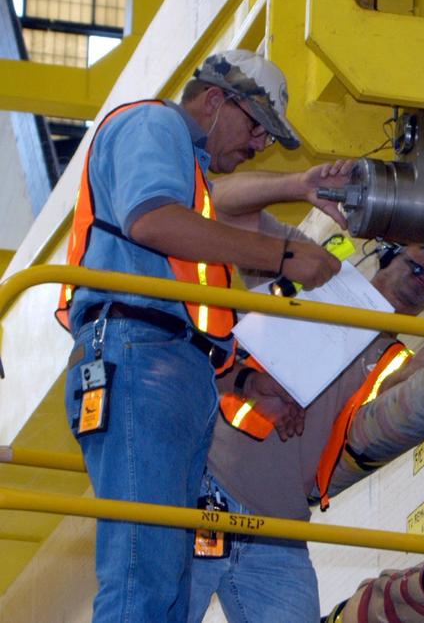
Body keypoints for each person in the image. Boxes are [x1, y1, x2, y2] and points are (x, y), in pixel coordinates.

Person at [186, 166, 424, 623]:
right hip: (201, 490)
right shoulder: (314, 273)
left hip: (278, 533)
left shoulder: (391, 361)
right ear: (392, 250)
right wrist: (298, 185)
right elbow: (224, 202)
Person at [57, 49, 343, 623]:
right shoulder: (153, 124)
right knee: (143, 576)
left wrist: (242, 378)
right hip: (138, 361)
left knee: (161, 581)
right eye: (257, 125)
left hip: (166, 369)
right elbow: (152, 221)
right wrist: (284, 255)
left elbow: (180, 299)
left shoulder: (194, 179)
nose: (258, 143)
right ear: (215, 100)